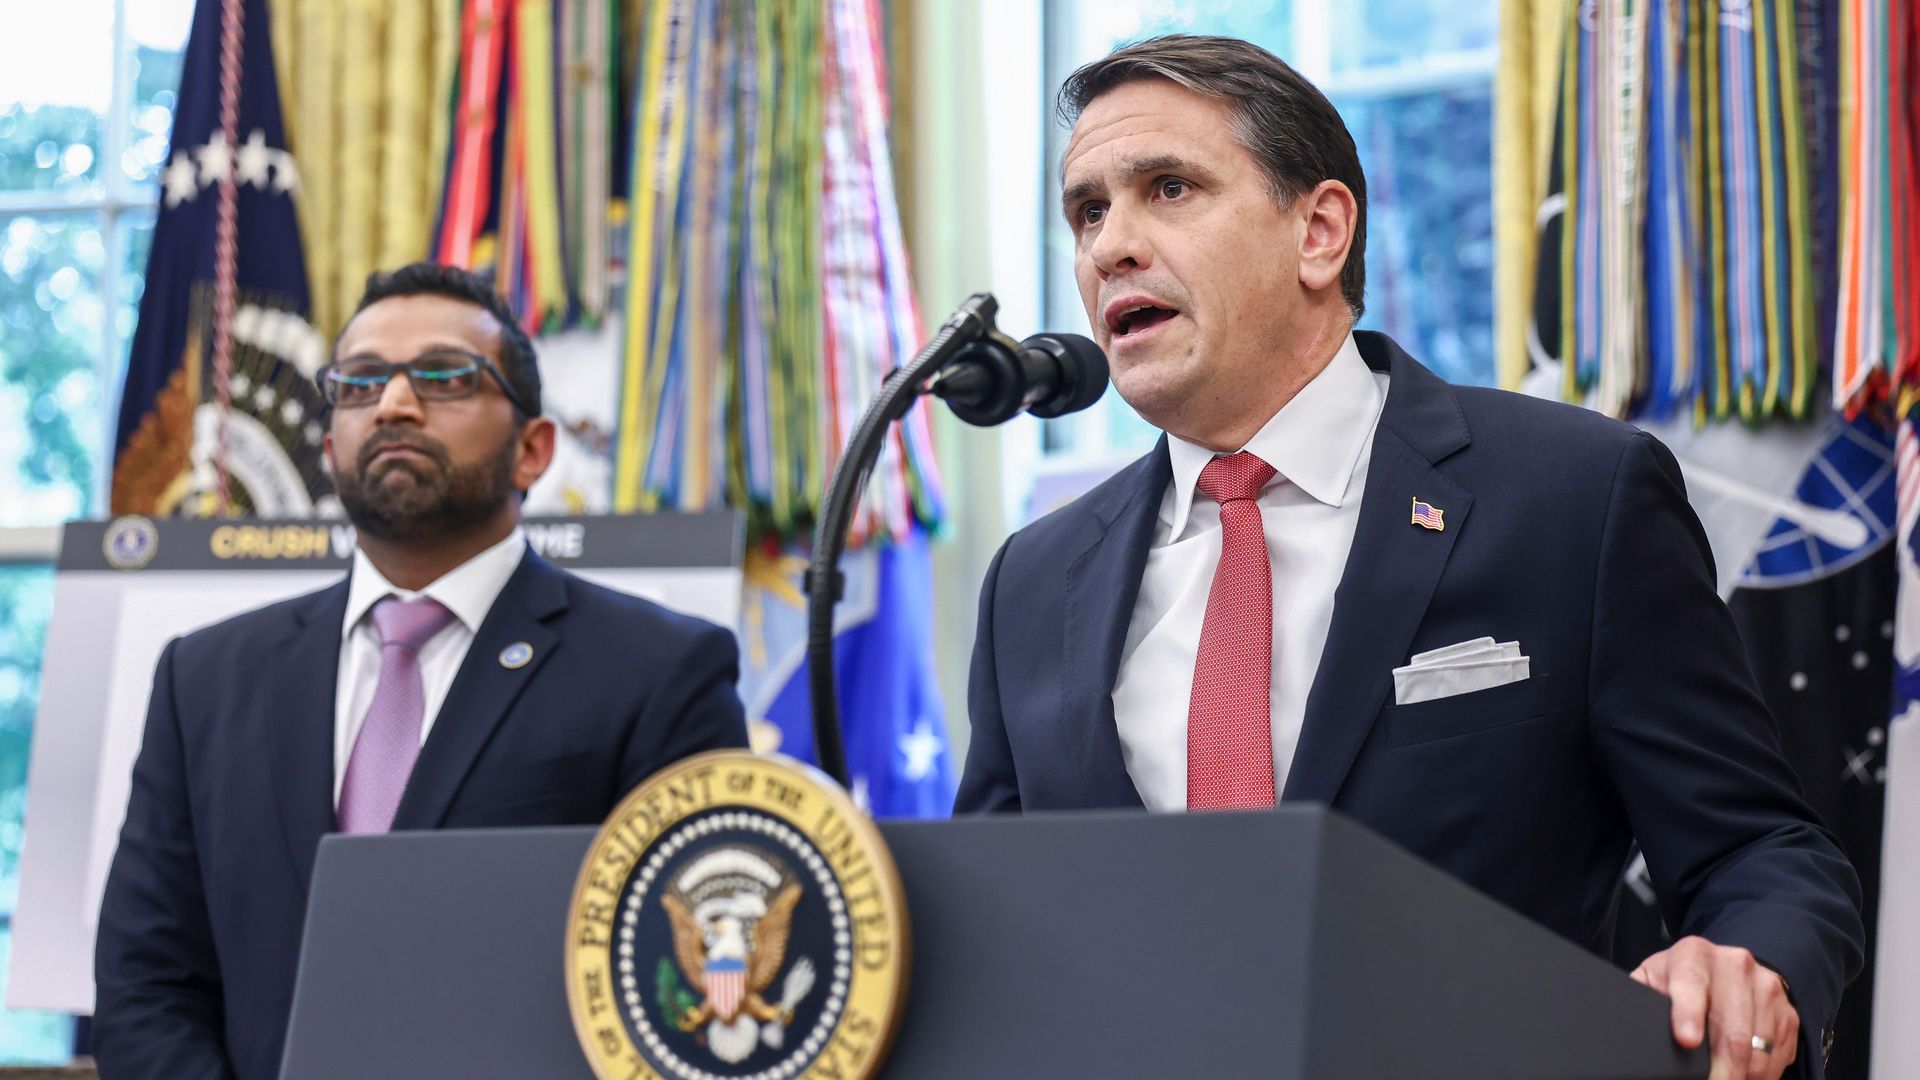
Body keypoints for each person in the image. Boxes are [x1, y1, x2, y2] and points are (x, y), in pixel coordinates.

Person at [954, 35, 1862, 1080]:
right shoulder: (1033, 581)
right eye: (1088, 211)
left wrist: (1746, 965)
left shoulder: (1573, 500)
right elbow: (998, 938)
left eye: (1168, 188)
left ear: (1321, 231)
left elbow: (1762, 852)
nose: (1112, 244)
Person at [93, 263, 748, 1080]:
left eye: (444, 377)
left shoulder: (660, 672)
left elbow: (678, 986)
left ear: (533, 449)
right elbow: (147, 986)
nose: (395, 404)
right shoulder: (206, 680)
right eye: (360, 383)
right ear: (329, 445)